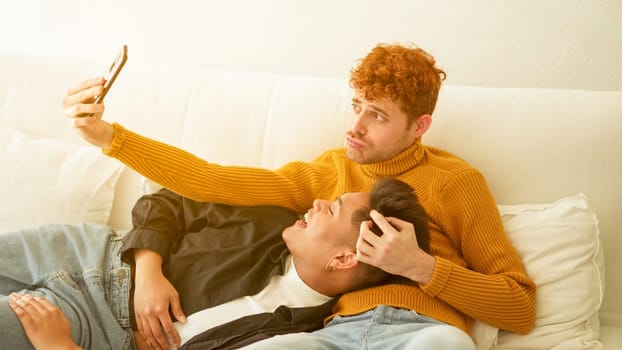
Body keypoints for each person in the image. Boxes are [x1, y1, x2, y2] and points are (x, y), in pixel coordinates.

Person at [63, 43, 536, 349]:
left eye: (377, 115)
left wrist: (420, 266)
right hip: (334, 332)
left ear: (419, 126)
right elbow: (212, 181)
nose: (354, 126)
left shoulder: (456, 181)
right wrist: (111, 137)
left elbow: (519, 306)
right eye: (355, 107)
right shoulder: (328, 171)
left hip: (424, 331)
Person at [2, 178, 430, 350]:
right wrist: (149, 270)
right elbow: (165, 201)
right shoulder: (269, 220)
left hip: (88, 326)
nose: (319, 202)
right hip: (90, 253)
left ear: (343, 258)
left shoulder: (291, 335)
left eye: (332, 209)